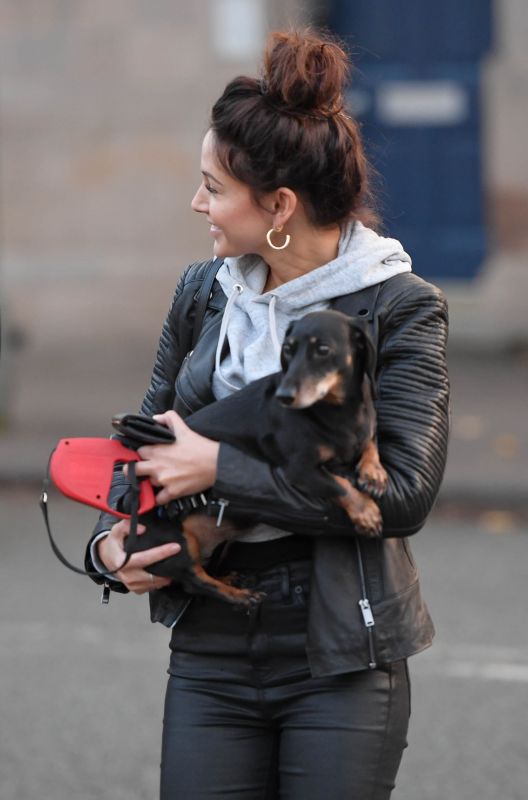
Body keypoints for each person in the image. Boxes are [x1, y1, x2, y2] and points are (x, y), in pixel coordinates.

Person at [86, 28, 449, 800]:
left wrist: (222, 469)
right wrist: (110, 547)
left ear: (278, 206)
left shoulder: (398, 307)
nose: (197, 204)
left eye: (213, 187)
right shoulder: (204, 291)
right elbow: (143, 447)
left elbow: (402, 497)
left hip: (340, 655)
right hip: (210, 648)